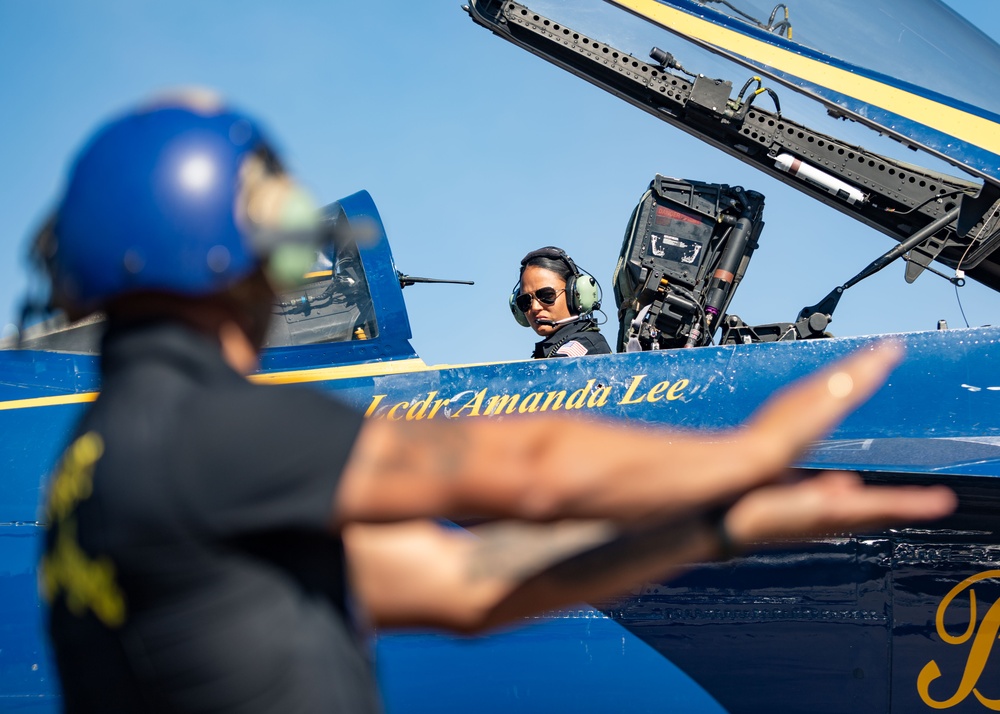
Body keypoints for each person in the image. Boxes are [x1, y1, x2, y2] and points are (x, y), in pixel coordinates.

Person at [36, 93, 956, 714]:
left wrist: (710, 534)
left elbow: (469, 585)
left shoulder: (105, 465)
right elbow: (525, 463)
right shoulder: (203, 429)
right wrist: (744, 454)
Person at [510, 246, 612, 358]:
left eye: (547, 295)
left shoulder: (584, 347)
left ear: (574, 294)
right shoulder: (551, 352)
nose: (534, 307)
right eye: (525, 300)